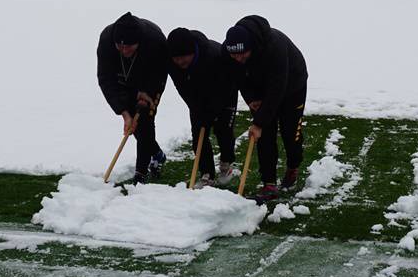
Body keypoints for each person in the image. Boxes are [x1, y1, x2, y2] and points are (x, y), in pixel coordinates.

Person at [223, 15, 307, 202]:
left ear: (252, 46)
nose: (237, 58)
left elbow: (277, 88)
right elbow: (237, 76)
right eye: (233, 55)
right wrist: (251, 99)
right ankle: (269, 183)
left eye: (241, 54)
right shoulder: (230, 51)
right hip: (259, 87)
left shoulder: (274, 48)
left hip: (292, 85)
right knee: (264, 136)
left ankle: (293, 165)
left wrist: (259, 122)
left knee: (289, 131)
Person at [96, 12, 168, 184]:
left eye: (129, 46)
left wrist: (148, 93)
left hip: (148, 78)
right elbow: (105, 79)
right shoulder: (107, 40)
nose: (125, 50)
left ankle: (140, 174)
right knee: (134, 126)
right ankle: (157, 153)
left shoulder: (154, 40)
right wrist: (124, 114)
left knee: (144, 121)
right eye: (120, 47)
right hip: (122, 80)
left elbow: (159, 73)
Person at [167, 27, 240, 187]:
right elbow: (182, 87)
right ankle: (207, 174)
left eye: (184, 58)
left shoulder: (215, 56)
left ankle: (227, 164)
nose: (180, 62)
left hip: (225, 92)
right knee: (198, 132)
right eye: (176, 59)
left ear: (193, 51)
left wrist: (212, 112)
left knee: (223, 129)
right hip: (197, 97)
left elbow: (224, 89)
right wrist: (195, 107)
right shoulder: (172, 63)